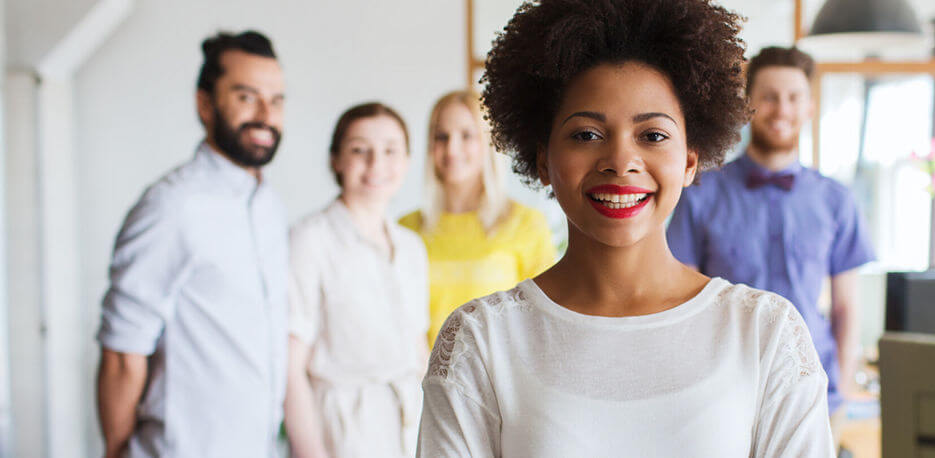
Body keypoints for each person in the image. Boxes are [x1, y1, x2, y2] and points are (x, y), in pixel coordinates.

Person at [417, 1, 835, 456]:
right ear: (542, 160)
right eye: (586, 134)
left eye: (652, 135)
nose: (620, 161)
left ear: (690, 161)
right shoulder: (481, 341)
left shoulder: (765, 334)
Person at [95, 31, 288, 458]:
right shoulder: (171, 206)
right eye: (246, 97)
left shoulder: (271, 205)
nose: (265, 114)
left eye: (276, 100)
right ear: (205, 104)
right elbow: (122, 354)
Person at [666, 46, 876, 432]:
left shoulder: (836, 200)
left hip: (816, 393)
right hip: (723, 391)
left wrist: (842, 388)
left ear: (810, 108)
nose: (782, 109)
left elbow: (846, 308)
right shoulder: (699, 194)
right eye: (769, 97)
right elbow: (682, 302)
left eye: (794, 98)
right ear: (748, 105)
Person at [283, 103, 431, 457]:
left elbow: (418, 349)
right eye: (359, 150)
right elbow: (289, 368)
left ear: (407, 161)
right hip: (342, 433)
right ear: (336, 159)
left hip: (409, 430)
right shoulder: (309, 240)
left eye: (390, 150)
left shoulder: (411, 246)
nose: (376, 164)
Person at [399, 90, 555, 345]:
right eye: (441, 136)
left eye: (466, 135)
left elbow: (545, 321)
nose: (452, 148)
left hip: (497, 381)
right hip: (420, 380)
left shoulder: (526, 224)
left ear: (488, 143)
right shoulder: (406, 229)